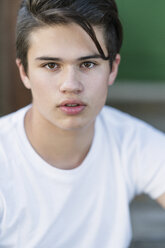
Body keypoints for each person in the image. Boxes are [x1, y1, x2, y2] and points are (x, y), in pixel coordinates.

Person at [0, 0, 165, 247]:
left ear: (112, 69)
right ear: (24, 72)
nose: (71, 85)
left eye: (88, 64)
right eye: (51, 65)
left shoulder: (131, 140)